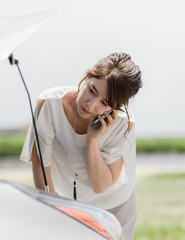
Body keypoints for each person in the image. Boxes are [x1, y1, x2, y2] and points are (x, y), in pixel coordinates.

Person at [20, 52, 142, 240]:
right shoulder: (49, 104)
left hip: (115, 206)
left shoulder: (122, 122)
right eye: (92, 90)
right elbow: (40, 165)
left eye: (105, 103)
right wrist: (54, 211)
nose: (91, 104)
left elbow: (101, 186)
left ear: (115, 108)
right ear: (87, 76)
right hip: (70, 203)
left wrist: (92, 141)